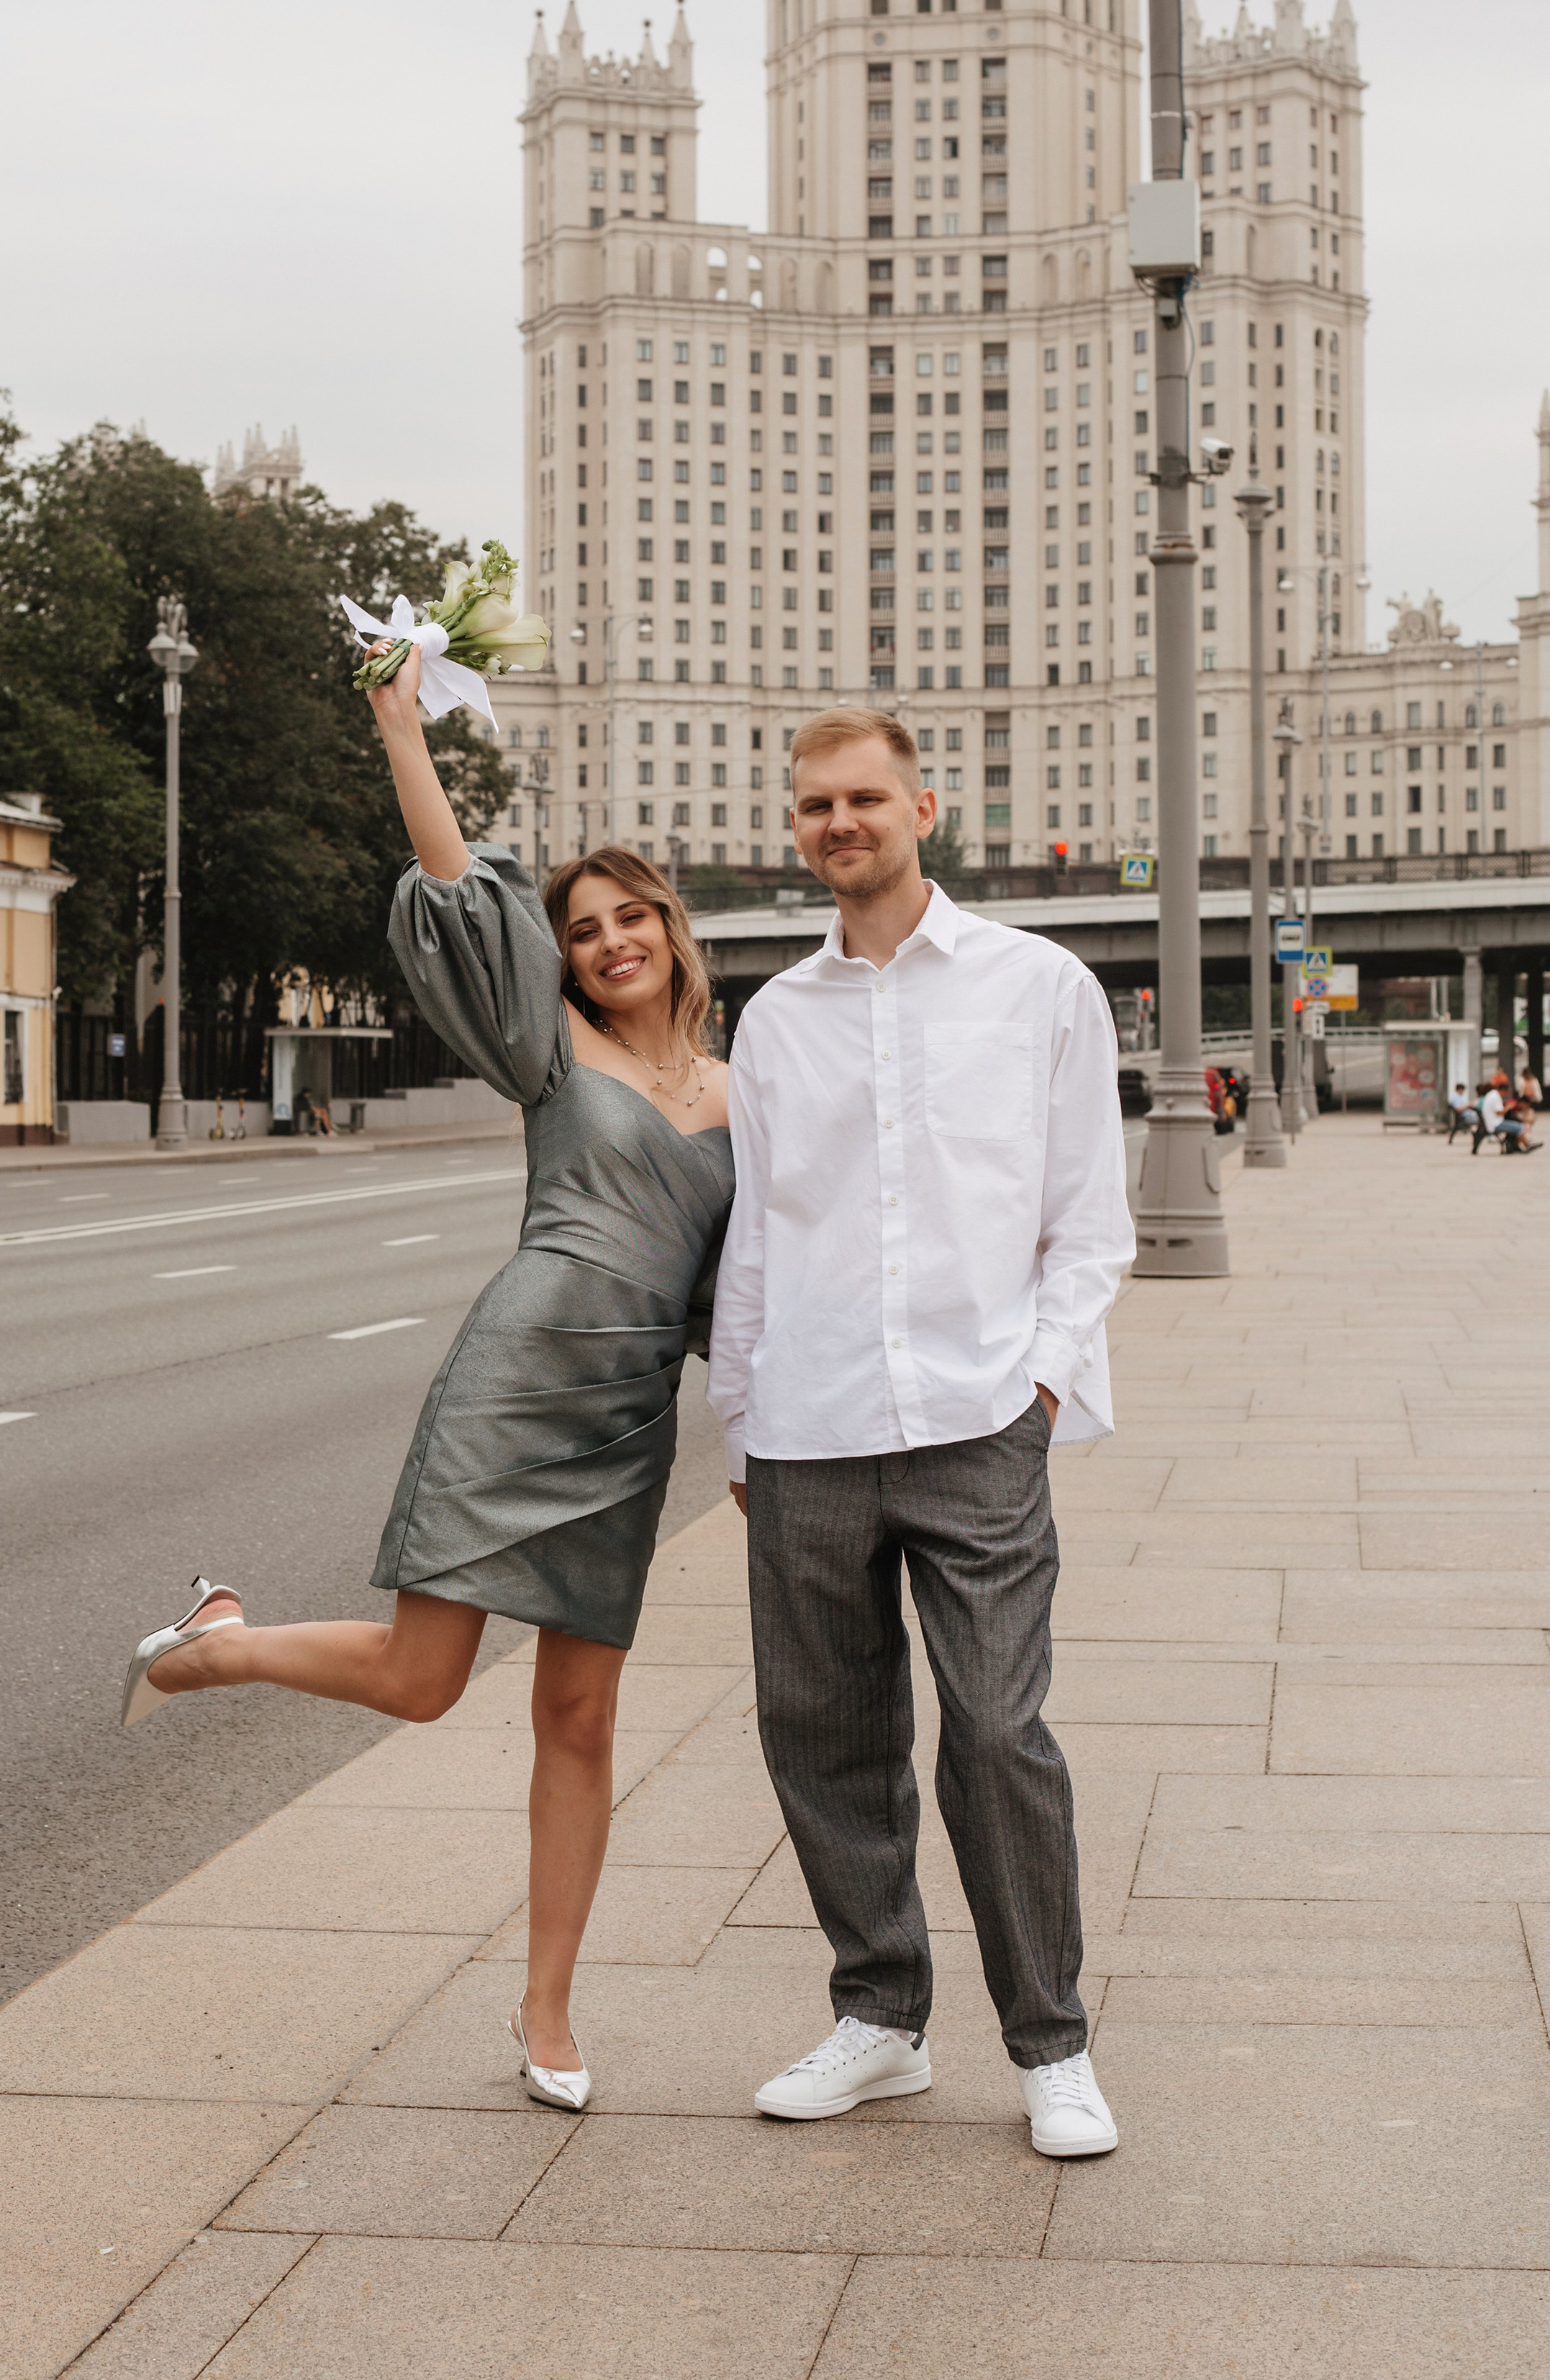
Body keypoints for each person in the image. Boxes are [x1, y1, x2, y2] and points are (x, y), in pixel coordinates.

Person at [120, 641, 733, 2114]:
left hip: (628, 1416)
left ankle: (546, 2016)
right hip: (517, 1376)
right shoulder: (545, 1046)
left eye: (629, 914)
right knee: (421, 1681)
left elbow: (765, 1281)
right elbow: (461, 892)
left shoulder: (748, 1086)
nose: (607, 939)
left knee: (579, 1718)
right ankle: (212, 1644)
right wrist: (402, 726)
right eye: (583, 926)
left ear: (670, 925)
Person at [707, 710, 1134, 2159]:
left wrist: (1033, 1387)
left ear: (923, 808)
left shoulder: (1039, 987)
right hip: (808, 1425)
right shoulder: (774, 1019)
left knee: (998, 1732)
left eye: (864, 797)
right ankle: (879, 2020)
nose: (839, 821)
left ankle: (1051, 2044)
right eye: (814, 802)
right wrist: (740, 1421)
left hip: (973, 1420)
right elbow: (757, 1241)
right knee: (822, 1736)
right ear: (795, 826)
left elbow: (1089, 1221)